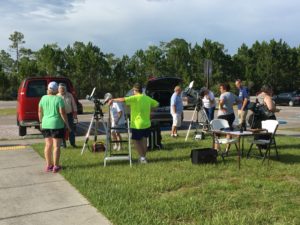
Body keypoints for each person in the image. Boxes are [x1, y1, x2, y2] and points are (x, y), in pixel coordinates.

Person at [108, 83, 159, 163]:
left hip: (137, 124)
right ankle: (143, 157)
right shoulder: (147, 98)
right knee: (144, 140)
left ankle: (142, 158)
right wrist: (151, 112)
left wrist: (112, 100)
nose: (133, 92)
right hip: (146, 124)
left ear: (135, 90)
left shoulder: (134, 98)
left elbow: (122, 99)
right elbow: (157, 104)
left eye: (133, 91)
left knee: (135, 140)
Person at [38, 81, 70, 173]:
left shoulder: (43, 98)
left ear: (48, 89)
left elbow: (40, 111)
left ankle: (49, 165)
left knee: (48, 145)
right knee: (56, 146)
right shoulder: (59, 99)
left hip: (45, 124)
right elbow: (62, 113)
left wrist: (40, 121)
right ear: (56, 90)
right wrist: (67, 125)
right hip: (57, 124)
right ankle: (56, 166)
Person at [57, 83, 78, 148]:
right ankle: (63, 144)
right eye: (60, 89)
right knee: (62, 130)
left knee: (71, 129)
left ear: (65, 89)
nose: (62, 90)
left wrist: (75, 113)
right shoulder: (57, 96)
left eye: (63, 89)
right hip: (60, 115)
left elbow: (74, 104)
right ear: (58, 89)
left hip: (69, 115)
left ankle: (73, 143)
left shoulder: (69, 95)